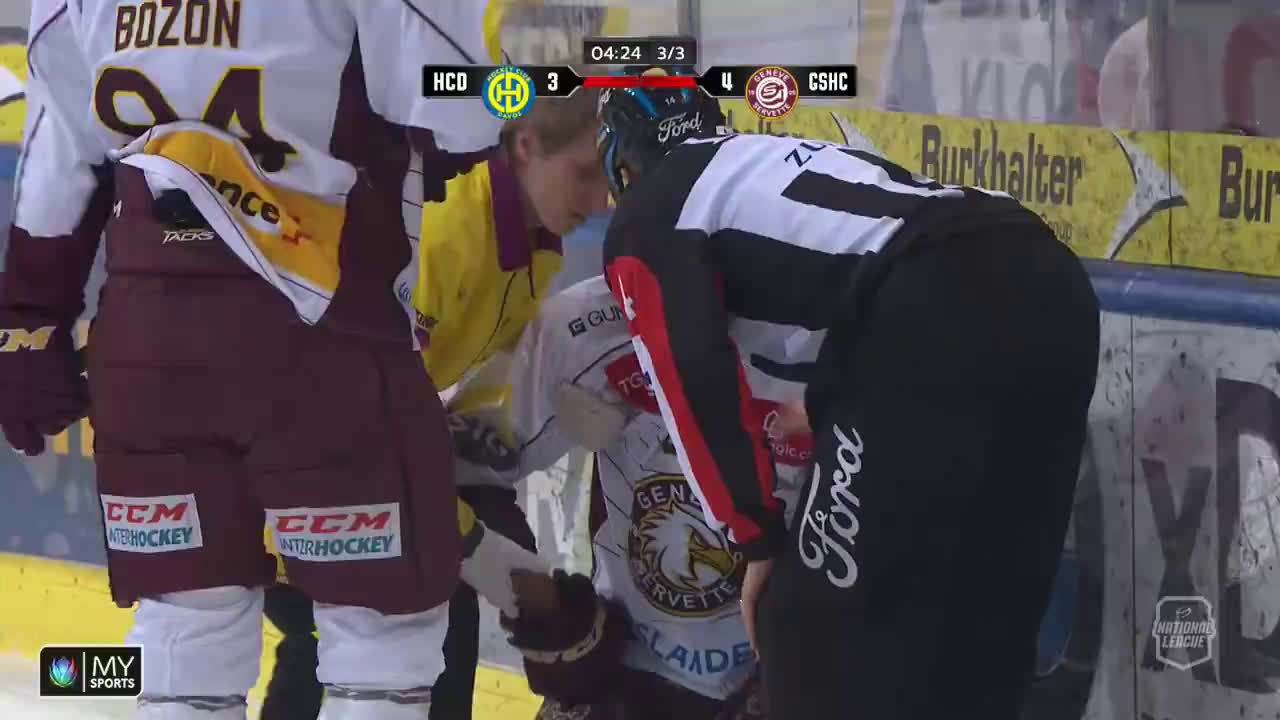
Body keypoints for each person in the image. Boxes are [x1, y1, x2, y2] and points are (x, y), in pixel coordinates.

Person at [0, 2, 529, 718]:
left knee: (182, 646)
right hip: (321, 336)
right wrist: (522, 86)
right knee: (381, 643)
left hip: (144, 347)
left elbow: (58, 166)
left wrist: (28, 321)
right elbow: (467, 113)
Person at [595, 67, 1101, 719]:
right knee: (981, 617)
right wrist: (830, 403)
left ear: (626, 167)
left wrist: (754, 534)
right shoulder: (772, 157)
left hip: (936, 303)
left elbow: (690, 380)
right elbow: (876, 275)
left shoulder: (651, 212)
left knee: (807, 630)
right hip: (1052, 283)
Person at [259, 79, 610, 720]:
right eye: (584, 173)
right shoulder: (441, 229)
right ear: (526, 147)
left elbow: (460, 423)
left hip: (369, 470)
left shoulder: (537, 251)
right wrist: (484, 551)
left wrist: (505, 532)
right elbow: (362, 424)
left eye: (607, 176)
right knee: (323, 649)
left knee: (438, 640)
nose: (600, 198)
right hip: (308, 478)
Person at [447, 273, 810, 719]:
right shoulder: (590, 324)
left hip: (789, 670)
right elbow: (459, 471)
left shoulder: (854, 336)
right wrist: (549, 616)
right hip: (627, 662)